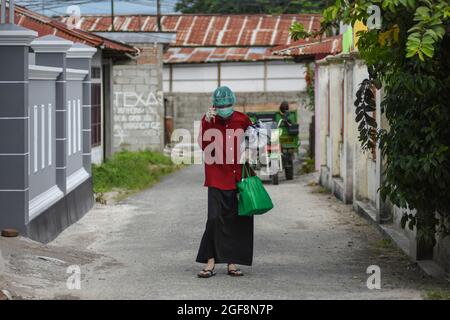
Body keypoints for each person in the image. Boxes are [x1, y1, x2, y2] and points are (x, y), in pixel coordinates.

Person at [196, 86, 254, 278]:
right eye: (221, 105)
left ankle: (232, 263)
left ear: (233, 103)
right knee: (213, 219)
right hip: (215, 177)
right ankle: (210, 262)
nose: (224, 108)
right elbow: (203, 145)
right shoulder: (208, 119)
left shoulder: (242, 119)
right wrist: (207, 121)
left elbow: (255, 140)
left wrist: (249, 151)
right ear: (214, 105)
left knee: (236, 220)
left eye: (228, 104)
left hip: (237, 177)